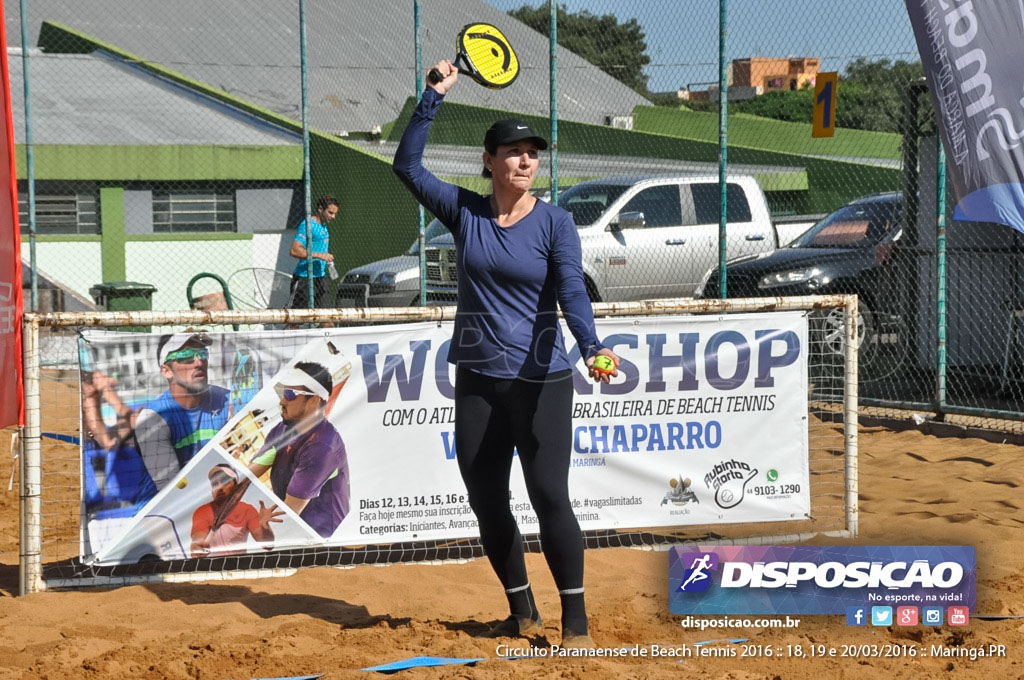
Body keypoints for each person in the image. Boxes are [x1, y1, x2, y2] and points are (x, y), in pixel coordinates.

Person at [392, 60, 620, 647]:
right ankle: (523, 613)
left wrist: (591, 344)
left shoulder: (556, 223)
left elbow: (572, 288)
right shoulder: (466, 213)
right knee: (487, 500)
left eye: (532, 152)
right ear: (488, 160)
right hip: (477, 378)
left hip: (541, 380)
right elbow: (407, 165)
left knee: (549, 498)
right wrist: (432, 96)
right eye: (513, 151)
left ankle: (575, 624)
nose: (525, 160)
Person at [248, 362, 349, 538]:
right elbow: (246, 477)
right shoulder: (282, 429)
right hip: (292, 533)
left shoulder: (322, 446)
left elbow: (288, 513)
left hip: (321, 541)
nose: (282, 401)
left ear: (314, 401)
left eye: (290, 394)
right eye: (282, 393)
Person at [134, 333, 230, 501]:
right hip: (165, 509)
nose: (199, 362)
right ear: (167, 371)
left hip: (219, 497)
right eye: (186, 357)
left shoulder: (228, 400)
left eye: (202, 354)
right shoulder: (153, 418)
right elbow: (173, 492)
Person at [190, 464, 283, 557]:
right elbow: (198, 540)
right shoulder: (202, 512)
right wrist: (198, 546)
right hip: (211, 568)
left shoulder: (247, 510)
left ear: (235, 486)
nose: (220, 487)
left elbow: (267, 545)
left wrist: (265, 527)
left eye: (225, 482)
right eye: (215, 484)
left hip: (239, 568)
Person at [290, 195, 340, 309]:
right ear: (320, 209)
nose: (333, 217)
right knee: (296, 322)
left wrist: (326, 258)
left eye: (335, 214)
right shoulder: (308, 225)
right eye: (330, 212)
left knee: (328, 320)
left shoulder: (323, 226)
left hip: (321, 278)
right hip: (304, 279)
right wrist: (320, 255)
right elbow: (294, 250)